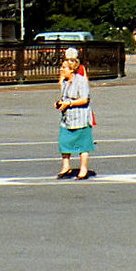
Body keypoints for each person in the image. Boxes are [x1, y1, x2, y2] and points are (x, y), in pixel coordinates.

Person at [54, 48, 95, 179]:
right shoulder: (65, 82)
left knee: (83, 144)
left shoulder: (81, 81)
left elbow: (84, 99)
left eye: (64, 68)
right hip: (67, 119)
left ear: (71, 69)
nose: (61, 70)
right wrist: (60, 103)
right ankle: (66, 167)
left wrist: (70, 104)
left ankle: (83, 169)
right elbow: (64, 97)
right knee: (64, 142)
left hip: (80, 118)